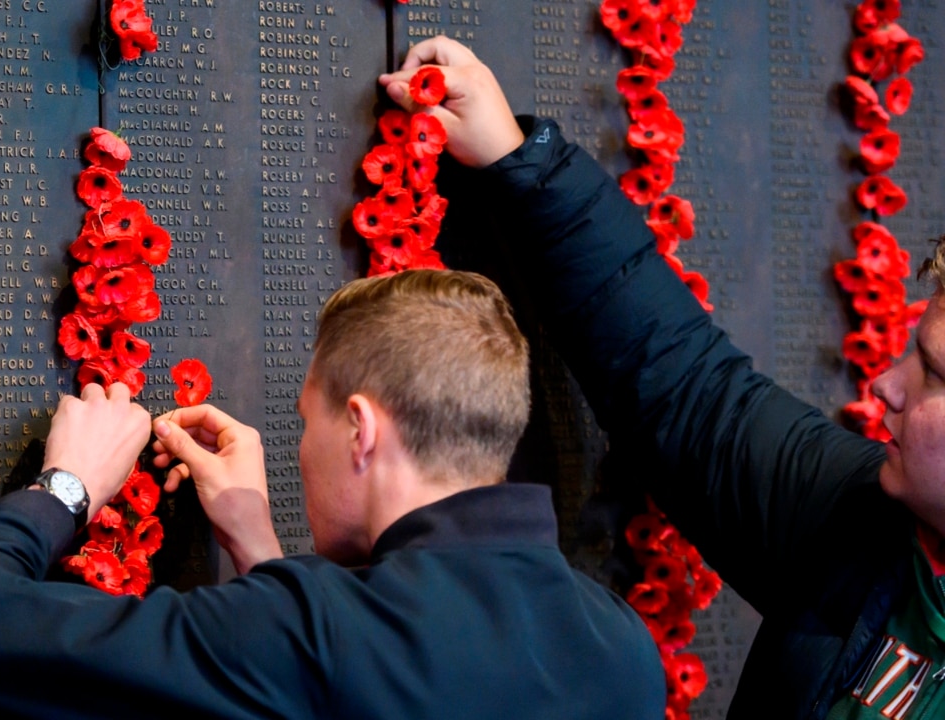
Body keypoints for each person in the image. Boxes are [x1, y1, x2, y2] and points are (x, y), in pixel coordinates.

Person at [377, 35, 945, 720]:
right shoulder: (864, 523)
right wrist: (523, 162)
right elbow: (688, 390)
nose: (886, 385)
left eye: (934, 374)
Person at [0, 269, 664, 719]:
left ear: (360, 429)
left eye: (305, 420)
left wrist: (68, 487)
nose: (299, 450)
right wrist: (261, 555)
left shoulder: (314, 635)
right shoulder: (624, 651)